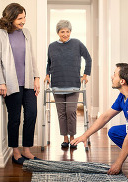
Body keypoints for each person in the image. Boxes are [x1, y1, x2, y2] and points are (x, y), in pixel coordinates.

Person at [0, 3, 40, 164]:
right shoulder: (0, 34)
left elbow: (32, 57)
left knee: (32, 114)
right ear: (10, 18)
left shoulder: (26, 33)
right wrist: (1, 82)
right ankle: (15, 151)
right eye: (20, 18)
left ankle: (27, 150)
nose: (23, 21)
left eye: (24, 17)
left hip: (28, 82)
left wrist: (37, 77)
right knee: (14, 118)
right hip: (12, 83)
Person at [44, 20, 92, 149]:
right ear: (58, 33)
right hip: (57, 84)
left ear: (70, 32)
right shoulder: (52, 46)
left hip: (73, 84)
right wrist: (47, 75)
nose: (65, 34)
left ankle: (72, 138)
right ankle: (65, 138)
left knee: (70, 111)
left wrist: (85, 74)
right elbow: (49, 63)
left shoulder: (77, 43)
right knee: (61, 113)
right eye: (62, 31)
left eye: (67, 31)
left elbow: (88, 58)